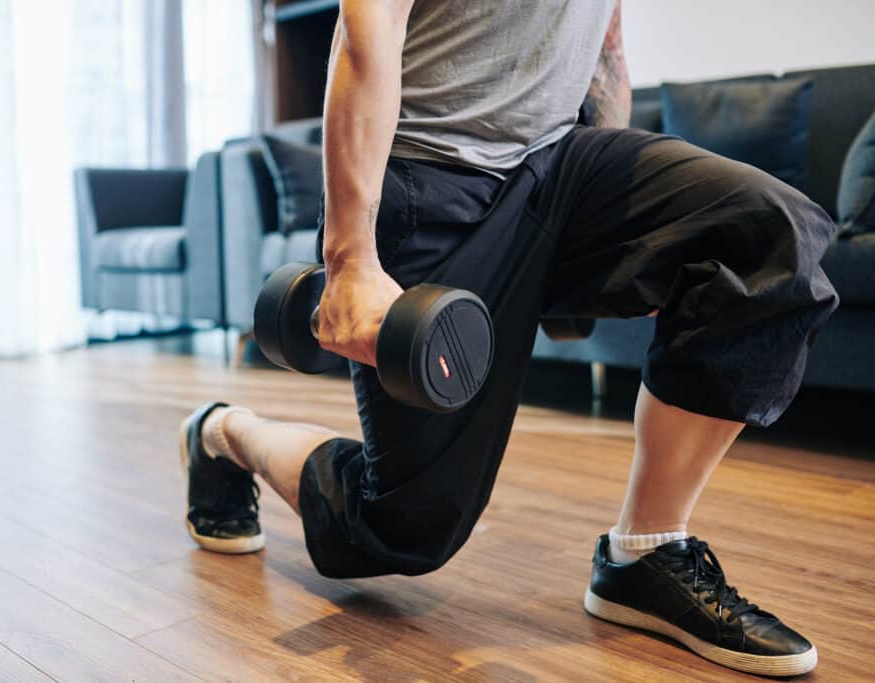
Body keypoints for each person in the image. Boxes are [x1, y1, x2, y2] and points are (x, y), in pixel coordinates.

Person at [177, 1, 837, 676]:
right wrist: (349, 261)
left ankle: (644, 551)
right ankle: (228, 432)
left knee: (770, 235)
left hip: (558, 165)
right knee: (407, 525)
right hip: (429, 177)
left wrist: (626, 247)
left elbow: (603, 44)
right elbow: (366, 29)